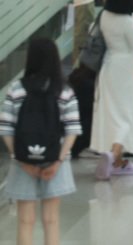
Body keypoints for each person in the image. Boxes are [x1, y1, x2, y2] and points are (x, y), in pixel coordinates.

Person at [1, 38, 79, 245]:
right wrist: (58, 161)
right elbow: (72, 129)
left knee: (25, 220)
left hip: (22, 160)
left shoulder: (16, 89)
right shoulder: (65, 91)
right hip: (55, 161)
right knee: (51, 220)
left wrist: (20, 159)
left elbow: (6, 128)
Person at [91, 0, 133, 180]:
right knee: (126, 114)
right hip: (125, 68)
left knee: (111, 113)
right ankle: (114, 154)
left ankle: (117, 161)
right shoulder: (127, 21)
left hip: (108, 66)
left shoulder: (105, 15)